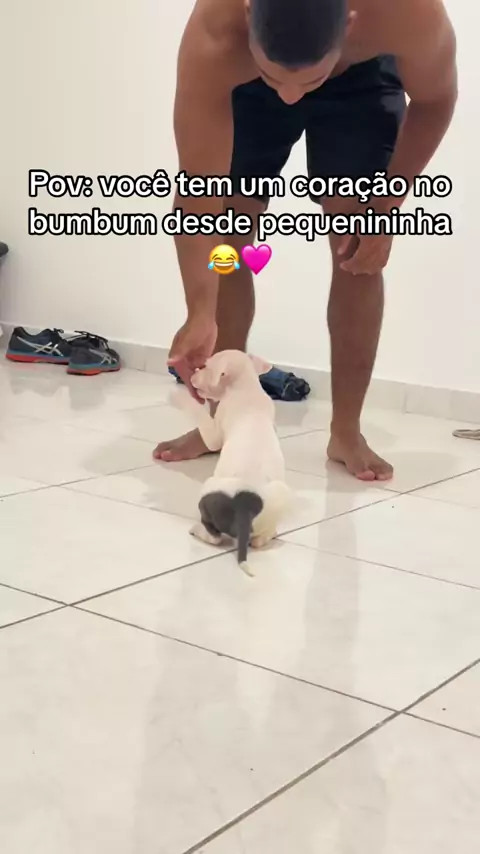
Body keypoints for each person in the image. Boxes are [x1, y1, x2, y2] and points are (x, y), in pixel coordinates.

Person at [154, 0, 457, 480]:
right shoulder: (216, 31)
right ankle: (222, 423)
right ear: (248, 16)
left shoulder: (406, 12)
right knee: (228, 231)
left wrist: (385, 207)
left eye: (309, 80)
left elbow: (436, 100)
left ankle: (346, 431)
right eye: (276, 78)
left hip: (360, 80)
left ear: (351, 23)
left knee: (358, 245)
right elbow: (198, 195)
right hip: (246, 84)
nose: (291, 96)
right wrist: (199, 310)